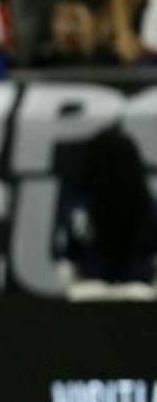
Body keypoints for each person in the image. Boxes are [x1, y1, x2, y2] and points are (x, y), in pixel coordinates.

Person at [53, 128, 157, 301]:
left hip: (131, 290)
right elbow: (67, 255)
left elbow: (66, 255)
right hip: (97, 290)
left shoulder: (143, 203)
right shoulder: (81, 206)